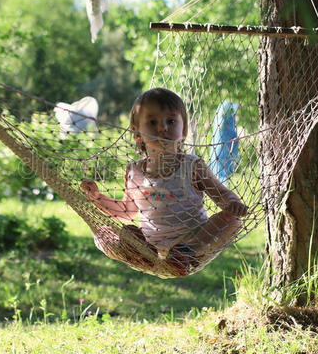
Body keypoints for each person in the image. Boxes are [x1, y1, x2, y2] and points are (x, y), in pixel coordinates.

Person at [81, 88, 247, 272]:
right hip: (150, 243)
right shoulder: (134, 171)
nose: (162, 128)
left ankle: (184, 254)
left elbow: (221, 194)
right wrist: (97, 197)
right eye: (152, 122)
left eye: (171, 121)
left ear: (183, 130)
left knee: (232, 221)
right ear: (137, 134)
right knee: (105, 234)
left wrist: (232, 203)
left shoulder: (192, 166)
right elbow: (127, 211)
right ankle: (143, 257)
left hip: (195, 238)